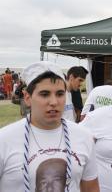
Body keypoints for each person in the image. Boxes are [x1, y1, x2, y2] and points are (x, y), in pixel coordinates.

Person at [0, 61, 99, 192]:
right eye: (44, 94)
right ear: (28, 98)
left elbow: (90, 187)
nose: (54, 102)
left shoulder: (84, 136)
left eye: (59, 94)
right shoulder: (4, 139)